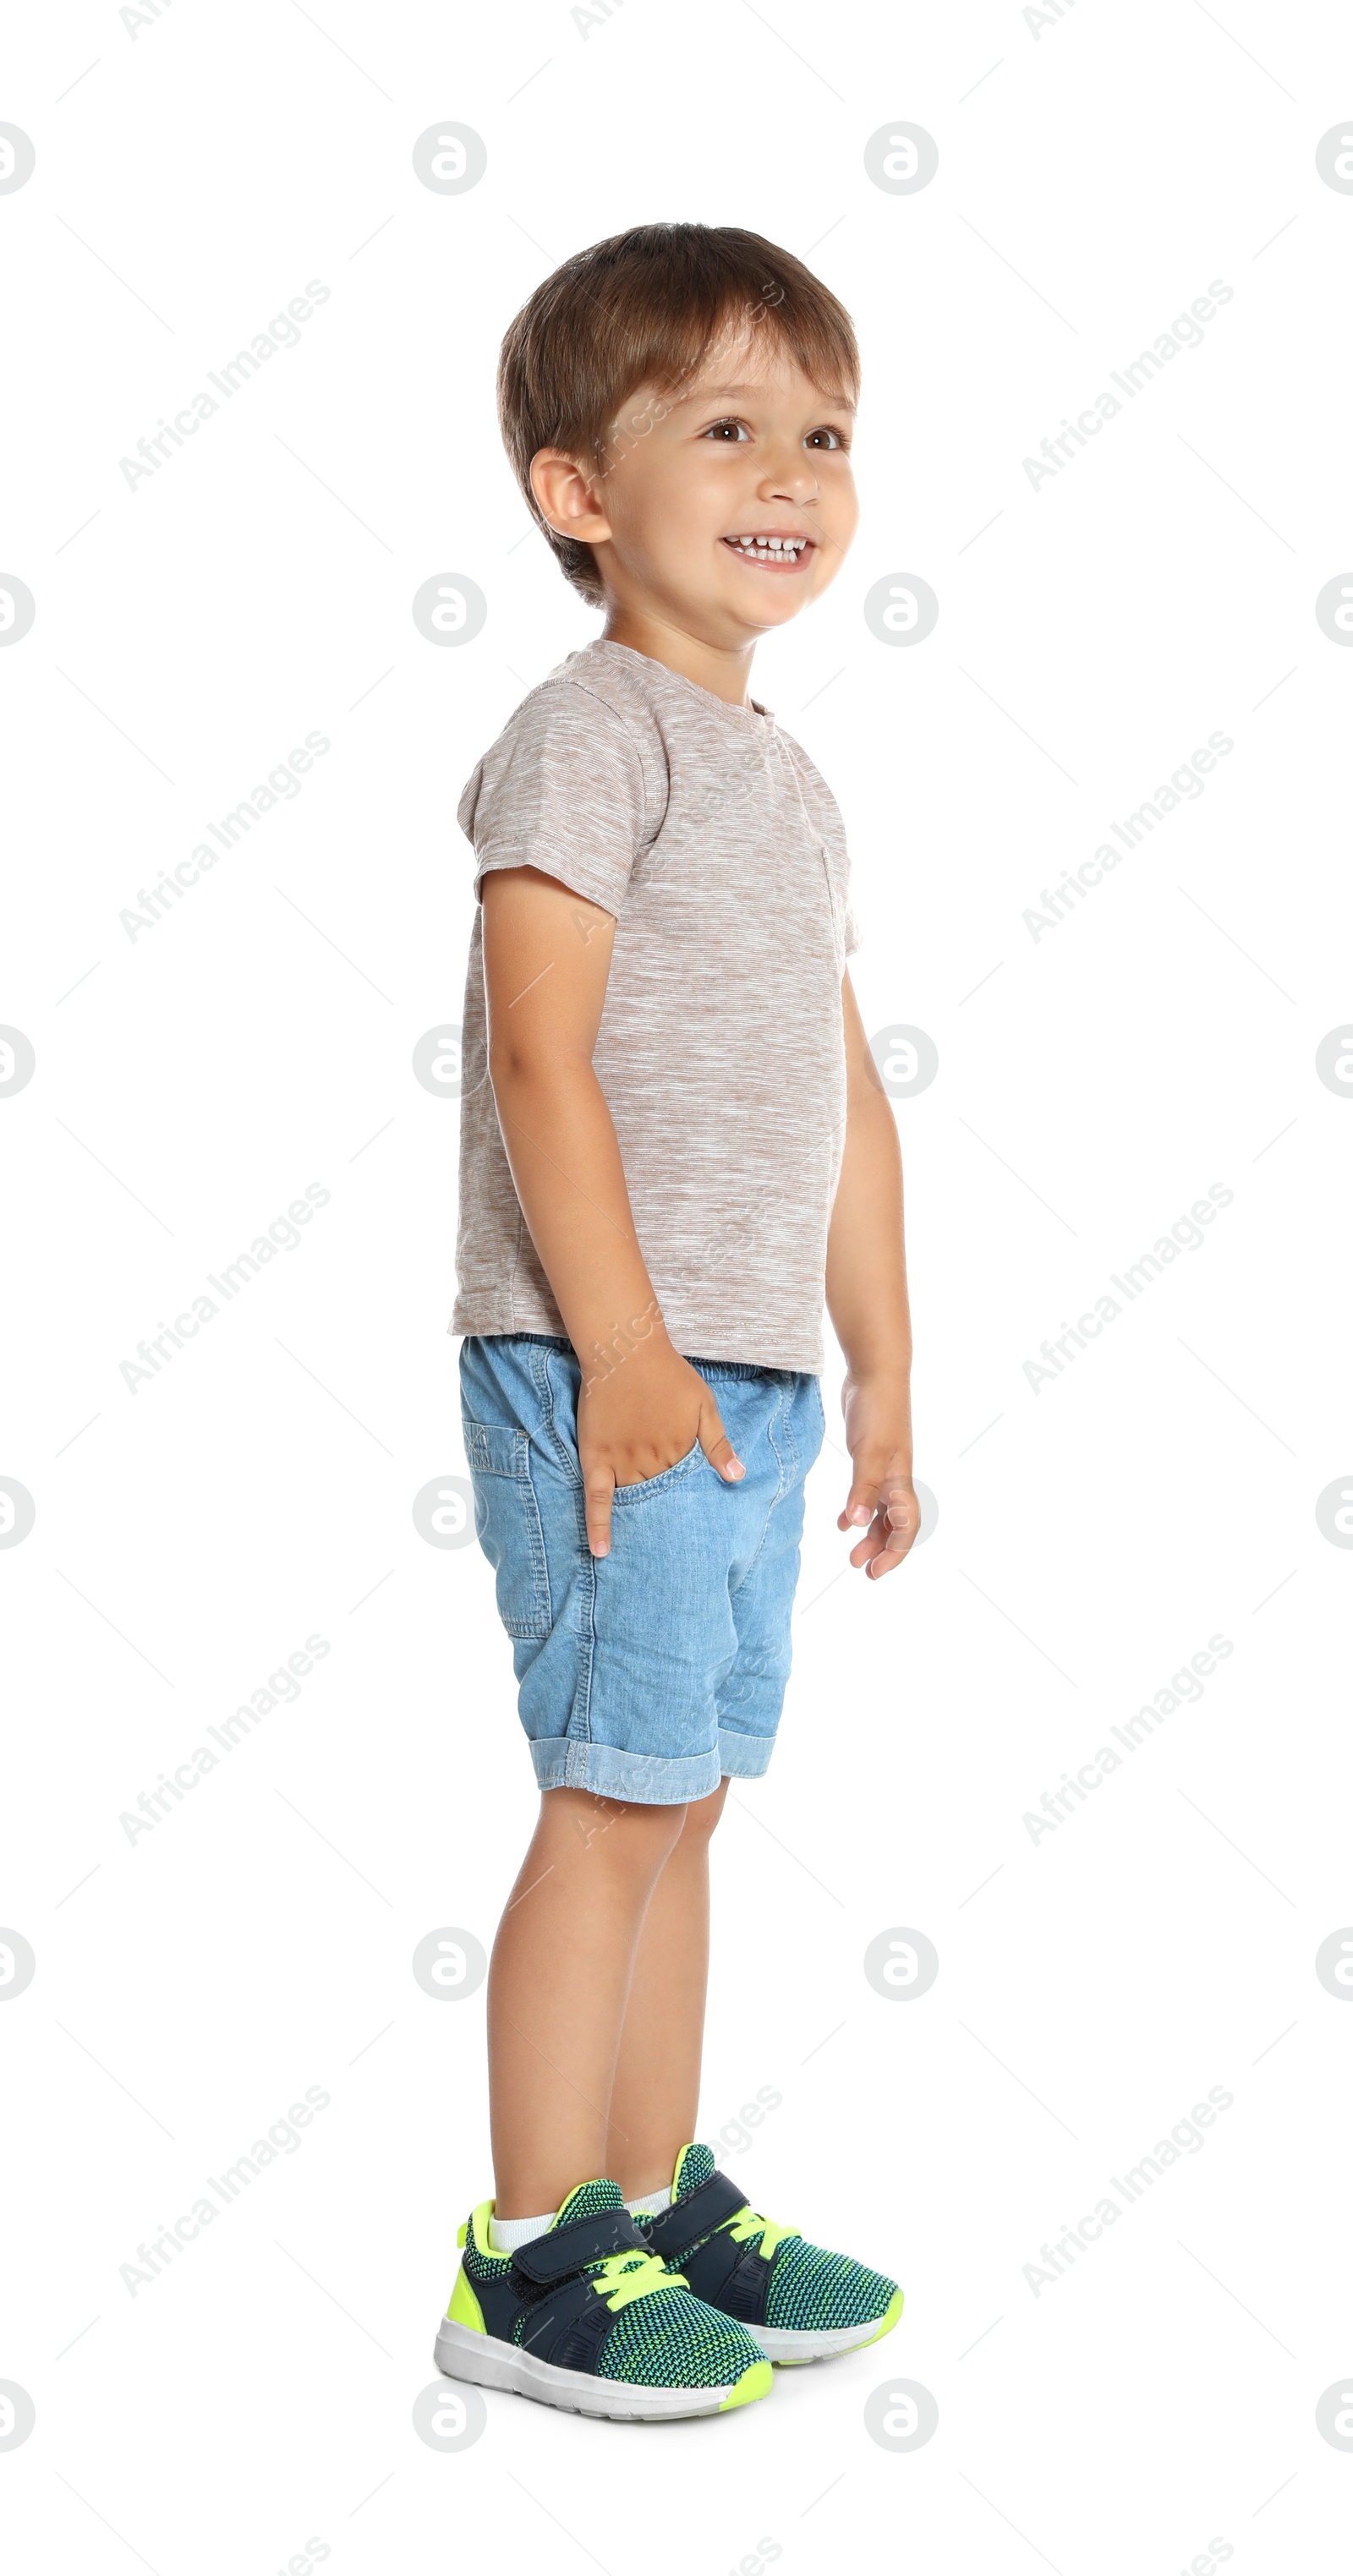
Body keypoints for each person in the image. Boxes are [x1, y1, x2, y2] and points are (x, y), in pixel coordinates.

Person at [435, 222, 917, 2423]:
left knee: (690, 1789)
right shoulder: (583, 733)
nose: (790, 469)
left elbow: (841, 1088)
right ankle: (531, 2251)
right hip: (608, 1370)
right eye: (726, 426)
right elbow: (543, 1058)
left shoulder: (790, 781)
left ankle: (652, 2186)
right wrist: (620, 1344)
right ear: (580, 492)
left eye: (821, 431)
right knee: (606, 1803)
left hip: (757, 1374)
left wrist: (885, 1360)